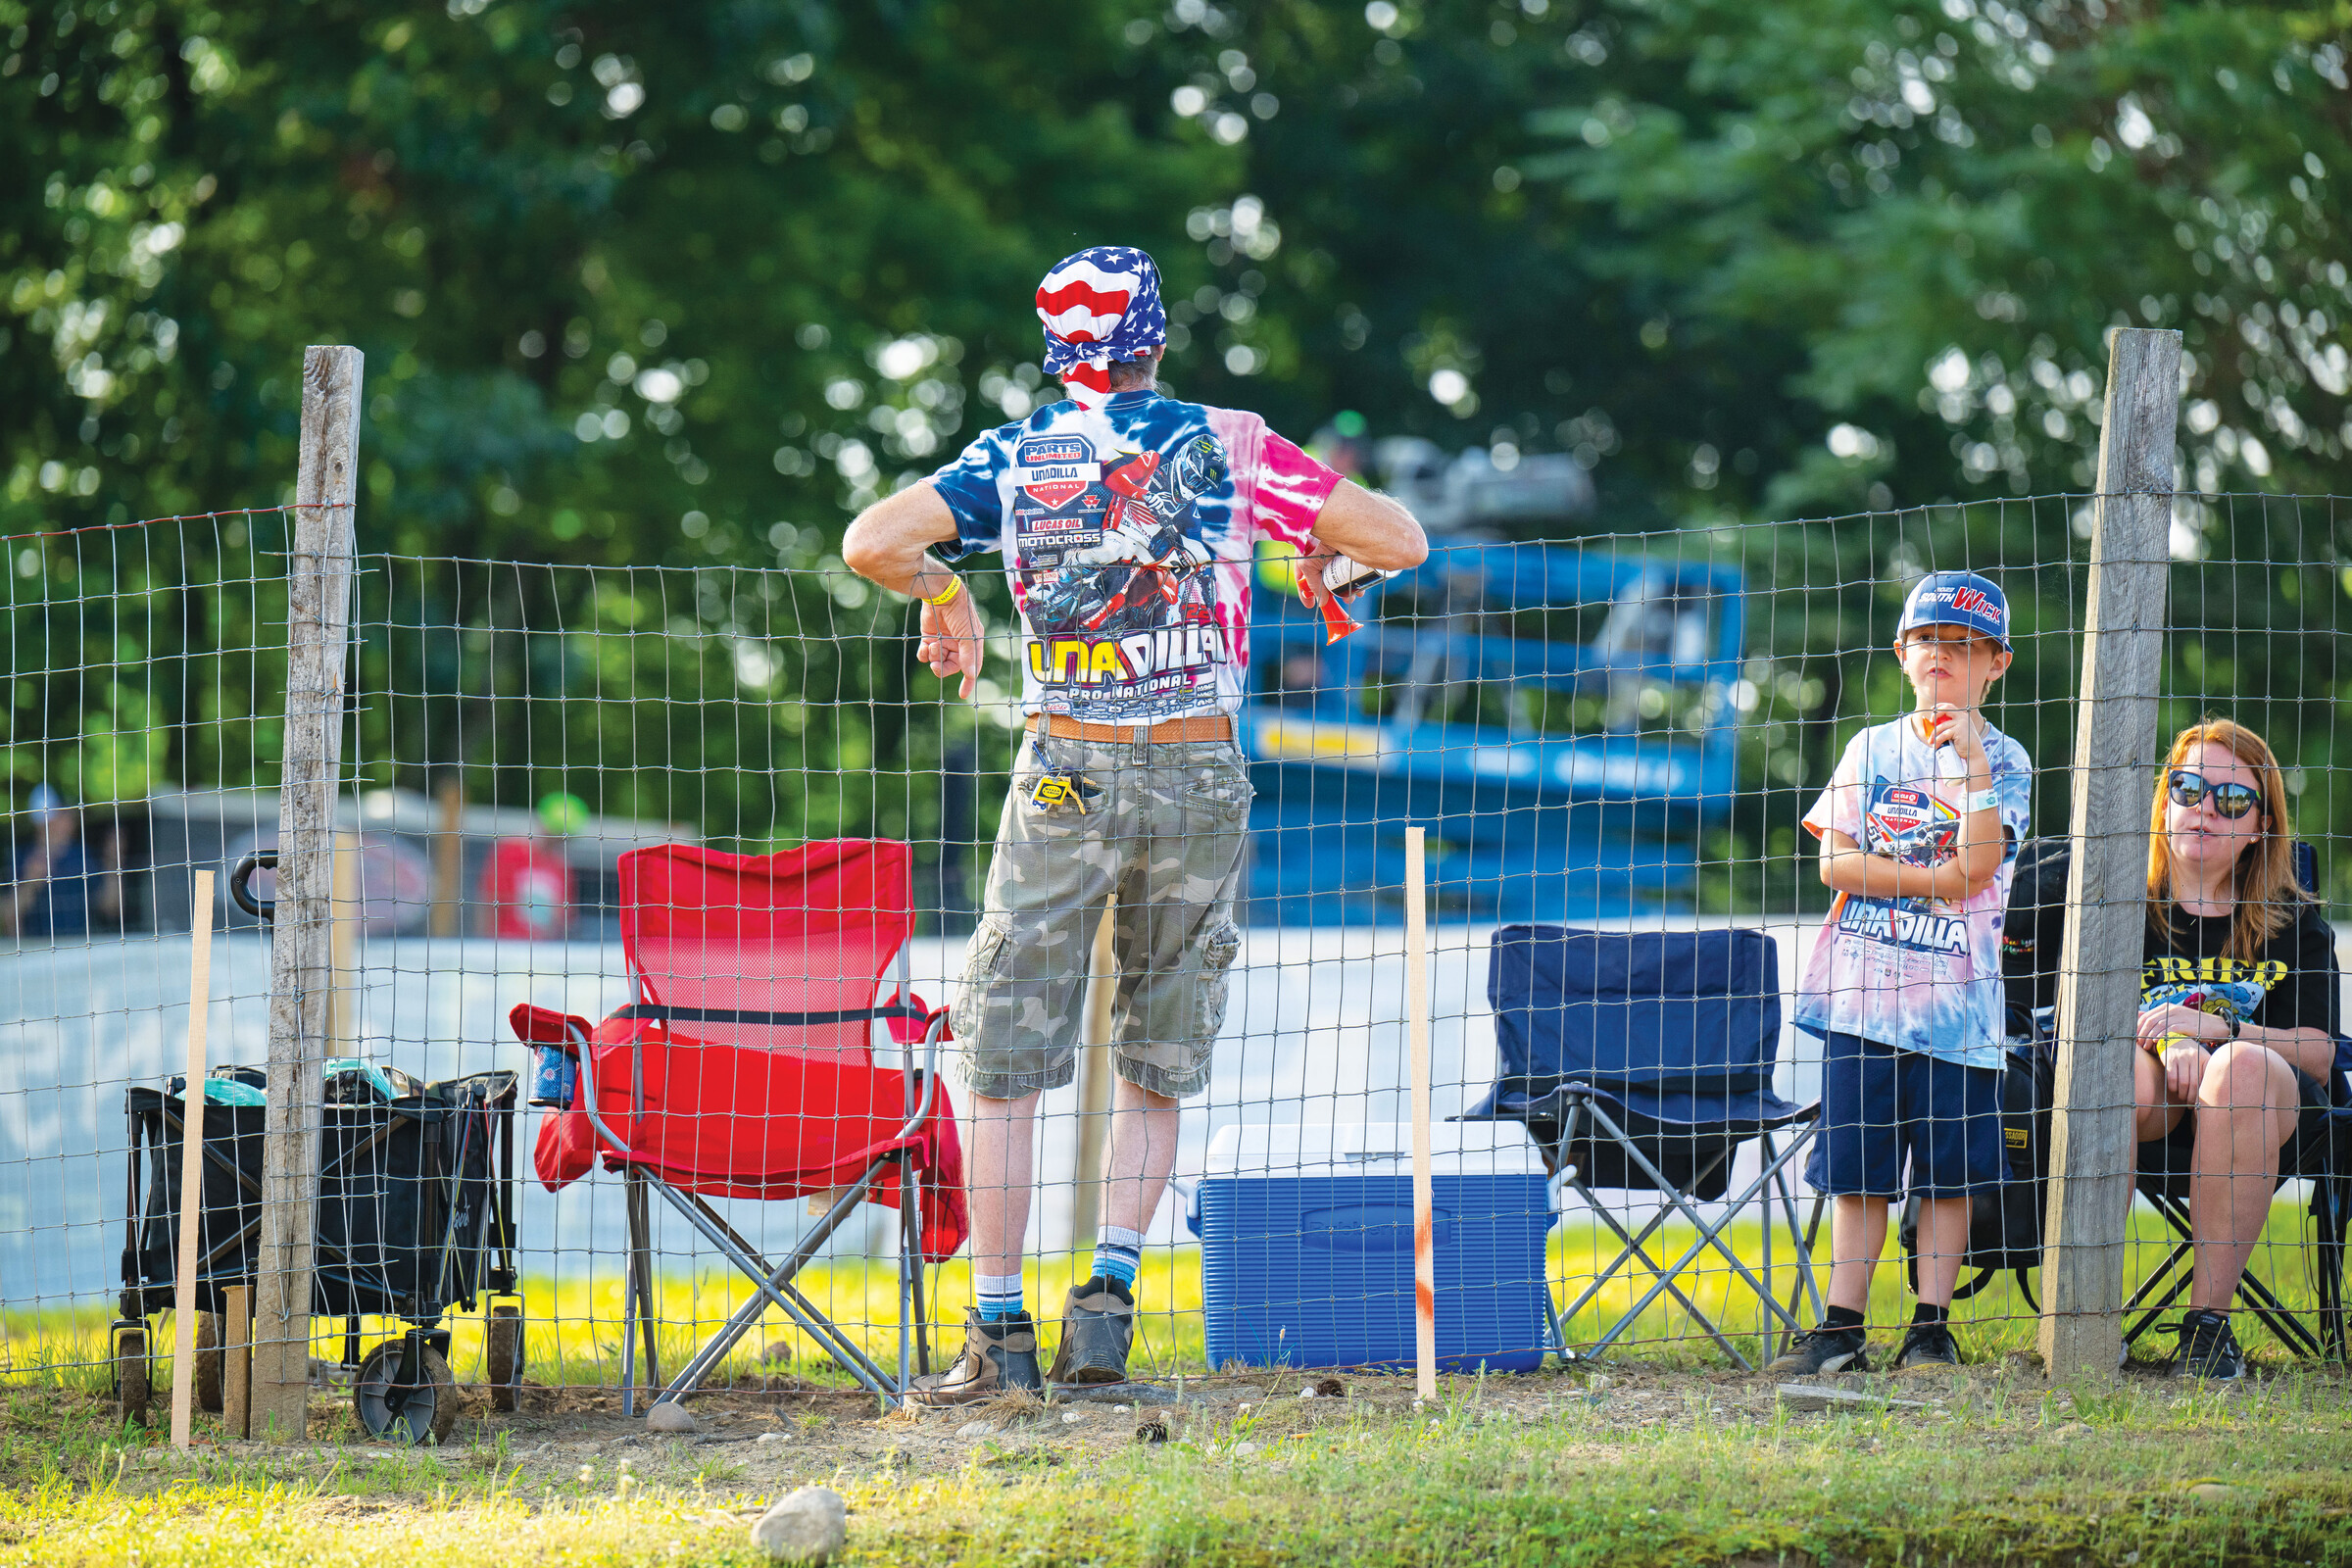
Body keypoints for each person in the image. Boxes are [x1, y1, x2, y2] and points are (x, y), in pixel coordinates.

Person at [841, 245, 1427, 1402]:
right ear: (1157, 338)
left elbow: (870, 541)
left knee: (1002, 1064)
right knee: (1159, 1059)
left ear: (1056, 353)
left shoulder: (1011, 458)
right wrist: (1316, 552)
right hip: (1200, 771)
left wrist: (949, 593)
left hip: (1066, 767)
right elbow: (1399, 542)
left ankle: (999, 1337)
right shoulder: (1236, 445)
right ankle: (1104, 1319)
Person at [2019, 718, 2339, 1380]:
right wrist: (2166, 1037)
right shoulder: (2108, 899)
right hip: (2145, 1102)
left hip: (2257, 1114)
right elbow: (2046, 1008)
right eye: (2189, 788)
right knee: (2117, 1068)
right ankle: (2088, 1319)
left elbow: (2316, 1052)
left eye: (2232, 800)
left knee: (2242, 1069)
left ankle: (2207, 1327)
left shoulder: (2291, 917)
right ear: (2162, 798)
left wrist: (2215, 1033)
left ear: (2261, 825)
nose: (2205, 811)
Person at [1770, 571, 2032, 1374]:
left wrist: (1973, 772)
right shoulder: (1869, 748)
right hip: (1863, 1004)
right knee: (1857, 1175)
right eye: (1928, 641)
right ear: (1902, 654)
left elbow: (1983, 863)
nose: (1943, 657)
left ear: (1997, 664)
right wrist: (1934, 879)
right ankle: (1842, 1326)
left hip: (1958, 1015)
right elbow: (1834, 864)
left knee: (1947, 1181)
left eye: (1964, 645)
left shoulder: (2006, 760)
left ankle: (1930, 1326)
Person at [8, 784, 122, 941]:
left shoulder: (81, 855)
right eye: (63, 812)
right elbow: (8, 917)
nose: (71, 817)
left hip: (81, 950)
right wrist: (31, 882)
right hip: (39, 952)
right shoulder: (19, 858)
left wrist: (112, 860)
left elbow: (111, 908)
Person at [479, 791, 585, 940]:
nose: (559, 841)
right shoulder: (512, 852)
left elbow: (563, 917)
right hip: (506, 944)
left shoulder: (562, 866)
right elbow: (490, 900)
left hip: (542, 950)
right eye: (556, 834)